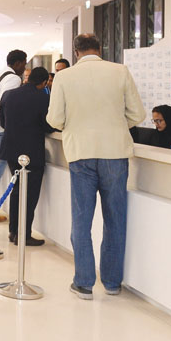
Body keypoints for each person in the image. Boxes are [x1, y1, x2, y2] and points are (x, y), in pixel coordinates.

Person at [47, 33, 145, 300]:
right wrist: (114, 123)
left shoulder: (64, 77)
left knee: (82, 220)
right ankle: (112, 283)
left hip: (81, 153)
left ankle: (84, 283)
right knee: (115, 219)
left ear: (76, 52)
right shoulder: (120, 71)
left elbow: (55, 119)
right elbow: (138, 114)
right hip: (115, 152)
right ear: (99, 48)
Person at [0, 66, 54, 246]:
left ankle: (13, 231)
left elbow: (3, 122)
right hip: (31, 153)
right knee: (29, 195)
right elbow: (48, 125)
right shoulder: (43, 98)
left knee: (16, 192)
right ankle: (24, 234)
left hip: (10, 149)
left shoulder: (9, 95)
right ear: (44, 82)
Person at [0, 49, 28, 222]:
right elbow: (5, 102)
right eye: (24, 63)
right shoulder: (13, 78)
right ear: (17, 63)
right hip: (1, 130)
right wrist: (9, 126)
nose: (24, 67)